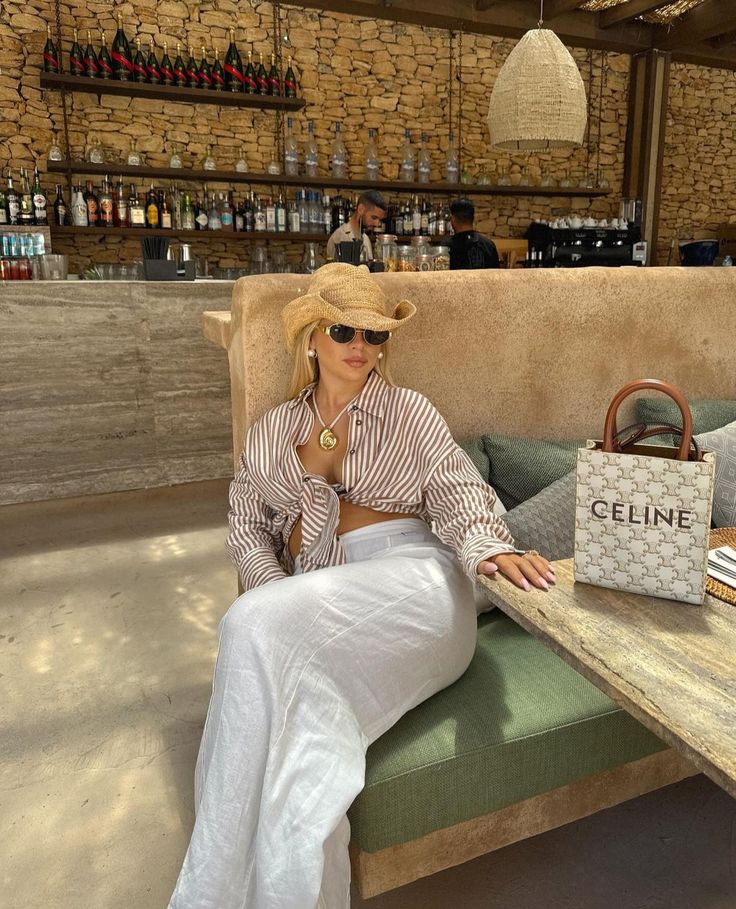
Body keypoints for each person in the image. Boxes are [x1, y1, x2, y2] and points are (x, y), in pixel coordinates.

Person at [167, 263, 554, 909]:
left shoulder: (410, 412)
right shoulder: (272, 431)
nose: (361, 347)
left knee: (248, 624)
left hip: (415, 582)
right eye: (345, 329)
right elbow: (247, 527)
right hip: (316, 595)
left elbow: (460, 493)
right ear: (312, 337)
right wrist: (272, 589)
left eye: (376, 337)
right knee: (302, 758)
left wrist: (488, 546)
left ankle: (202, 897)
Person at [326, 189, 387, 262]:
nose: (377, 224)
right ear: (361, 209)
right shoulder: (339, 237)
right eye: (374, 217)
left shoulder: (365, 238)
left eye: (380, 220)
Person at [448, 198, 501, 270]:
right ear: (473, 218)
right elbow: (497, 276)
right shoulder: (488, 245)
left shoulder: (445, 248)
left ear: (453, 219)